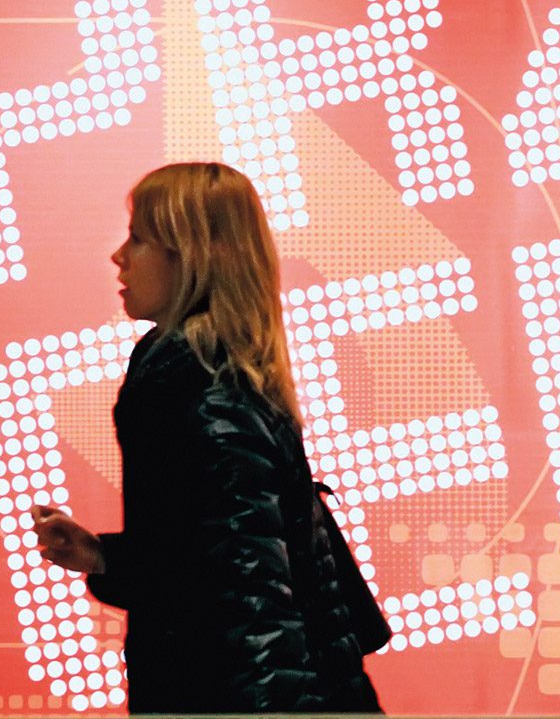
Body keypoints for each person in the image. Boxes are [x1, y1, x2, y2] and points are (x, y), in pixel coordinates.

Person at [30, 162, 383, 714]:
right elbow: (202, 562)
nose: (119, 256)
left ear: (190, 257)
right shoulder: (198, 373)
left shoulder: (204, 392)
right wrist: (104, 557)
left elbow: (252, 597)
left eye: (139, 239)